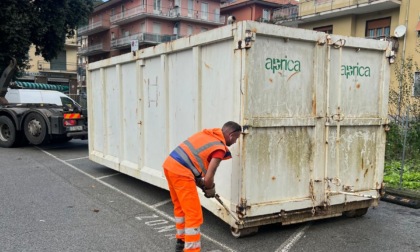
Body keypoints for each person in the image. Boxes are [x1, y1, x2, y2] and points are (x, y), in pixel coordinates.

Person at [163, 121, 242, 252]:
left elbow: (192, 160)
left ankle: (181, 241)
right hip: (182, 173)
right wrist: (210, 189)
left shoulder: (207, 134)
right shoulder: (219, 148)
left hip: (170, 166)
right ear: (231, 135)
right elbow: (209, 177)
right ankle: (191, 249)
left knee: (181, 207)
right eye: (236, 138)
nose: (235, 142)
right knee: (194, 214)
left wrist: (200, 181)